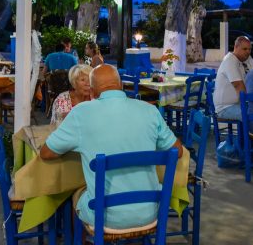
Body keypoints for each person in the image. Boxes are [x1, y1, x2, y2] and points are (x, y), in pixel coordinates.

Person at [40, 64, 182, 230]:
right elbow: (177, 150)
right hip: (149, 211)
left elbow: (46, 153)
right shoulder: (150, 111)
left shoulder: (80, 113)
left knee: (76, 192)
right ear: (121, 85)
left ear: (92, 92)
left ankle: (80, 238)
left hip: (104, 216)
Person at [213, 36, 253, 120]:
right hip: (225, 108)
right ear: (236, 47)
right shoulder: (230, 60)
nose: (248, 52)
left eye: (249, 49)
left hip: (238, 104)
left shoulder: (246, 58)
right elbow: (239, 86)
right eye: (245, 49)